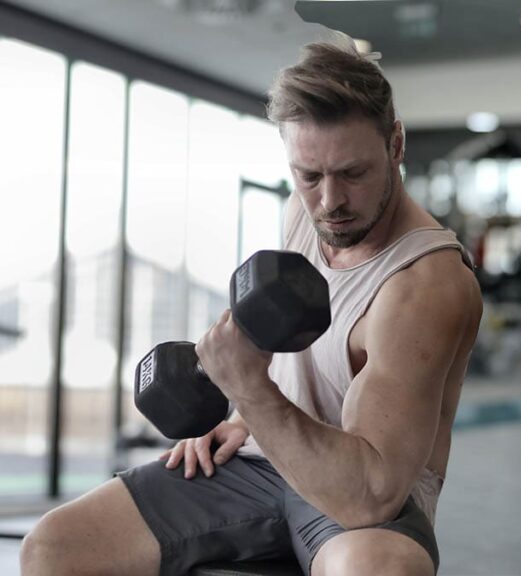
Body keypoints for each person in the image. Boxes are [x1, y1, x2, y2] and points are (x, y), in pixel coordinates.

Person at [21, 38, 482, 576]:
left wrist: (248, 390)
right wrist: (243, 418)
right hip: (263, 461)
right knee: (54, 546)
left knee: (380, 571)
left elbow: (369, 495)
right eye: (309, 175)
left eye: (352, 174)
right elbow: (290, 349)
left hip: (359, 496)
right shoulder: (303, 213)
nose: (330, 200)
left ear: (396, 144)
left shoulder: (425, 284)